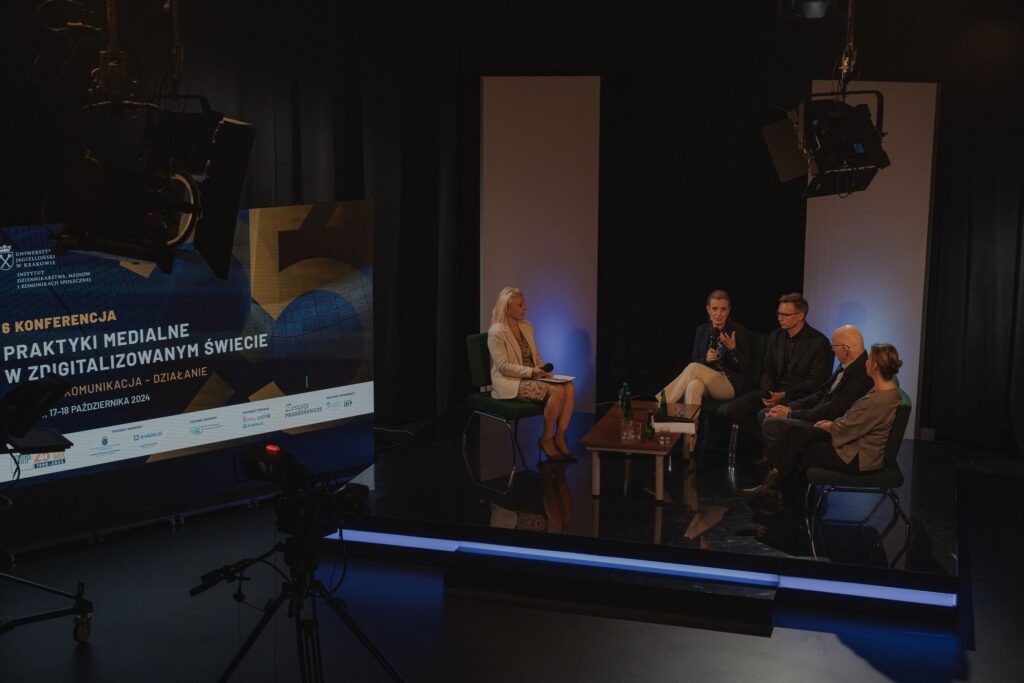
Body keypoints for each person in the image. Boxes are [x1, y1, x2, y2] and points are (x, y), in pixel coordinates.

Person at [744, 343, 903, 497]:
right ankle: (775, 490)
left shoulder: (879, 400)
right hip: (853, 446)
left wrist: (831, 426)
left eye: (869, 359)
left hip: (856, 457)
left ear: (874, 366)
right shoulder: (883, 391)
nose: (865, 362)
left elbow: (850, 428)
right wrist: (831, 425)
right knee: (796, 436)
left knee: (798, 449)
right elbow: (854, 423)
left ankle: (775, 490)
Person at [725, 292, 833, 446]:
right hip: (773, 391)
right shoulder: (776, 336)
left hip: (799, 396)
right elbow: (767, 368)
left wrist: (784, 396)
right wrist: (769, 393)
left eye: (785, 315)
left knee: (766, 415)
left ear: (800, 315)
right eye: (779, 314)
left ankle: (775, 450)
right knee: (734, 409)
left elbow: (817, 381)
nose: (780, 318)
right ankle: (772, 445)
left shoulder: (819, 342)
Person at [487, 287, 576, 461]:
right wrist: (532, 372)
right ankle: (546, 439)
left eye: (524, 304)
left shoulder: (526, 326)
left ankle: (560, 436)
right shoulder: (496, 331)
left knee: (570, 387)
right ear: (507, 308)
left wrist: (542, 370)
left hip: (532, 376)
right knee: (557, 391)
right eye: (520, 305)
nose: (525, 308)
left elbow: (535, 355)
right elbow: (503, 367)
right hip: (511, 381)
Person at [760, 324, 873, 451]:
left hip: (826, 424)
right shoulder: (848, 364)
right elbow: (821, 394)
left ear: (845, 350)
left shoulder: (861, 375)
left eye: (833, 346)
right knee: (766, 413)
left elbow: (832, 410)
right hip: (818, 412)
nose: (832, 350)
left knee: (771, 423)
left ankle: (782, 462)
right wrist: (790, 407)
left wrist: (790, 414)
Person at [660, 289, 752, 408]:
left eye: (723, 309)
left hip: (728, 384)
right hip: (707, 381)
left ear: (728, 310)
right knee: (693, 386)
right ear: (708, 309)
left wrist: (733, 349)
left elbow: (744, 366)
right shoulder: (702, 330)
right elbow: (695, 360)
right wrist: (706, 359)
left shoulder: (738, 331)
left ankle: (660, 403)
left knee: (694, 368)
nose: (718, 313)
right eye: (715, 309)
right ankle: (691, 420)